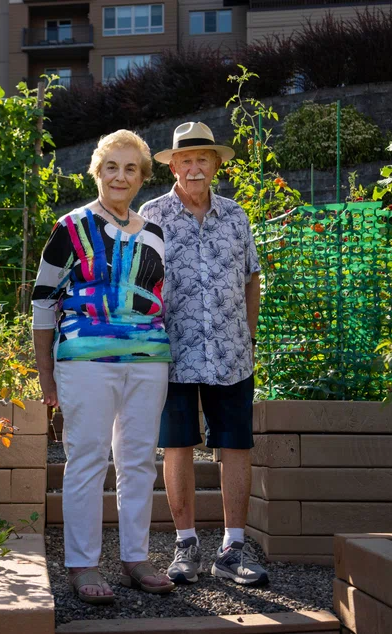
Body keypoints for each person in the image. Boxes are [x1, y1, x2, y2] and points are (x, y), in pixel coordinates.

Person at [31, 130, 175, 605]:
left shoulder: (153, 231)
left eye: (131, 168)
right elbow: (43, 303)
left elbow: (159, 299)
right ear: (97, 171)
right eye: (111, 166)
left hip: (148, 359)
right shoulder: (70, 227)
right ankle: (83, 564)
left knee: (137, 461)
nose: (120, 176)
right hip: (86, 361)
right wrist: (46, 376)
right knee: (88, 458)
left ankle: (136, 558)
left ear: (142, 177)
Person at [139, 121, 269, 586]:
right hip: (171, 353)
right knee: (178, 445)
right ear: (172, 166)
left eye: (203, 160)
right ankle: (186, 545)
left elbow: (252, 277)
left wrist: (248, 336)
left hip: (231, 351)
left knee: (235, 445)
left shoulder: (236, 216)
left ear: (216, 165)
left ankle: (234, 547)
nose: (194, 169)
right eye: (186, 161)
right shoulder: (150, 216)